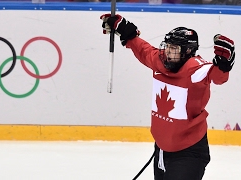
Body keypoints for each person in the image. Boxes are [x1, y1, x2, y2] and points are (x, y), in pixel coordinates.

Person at [100, 14, 235, 180]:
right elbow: (144, 51)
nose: (168, 52)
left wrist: (223, 65)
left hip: (188, 154)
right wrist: (125, 31)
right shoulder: (161, 61)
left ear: (188, 51)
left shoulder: (194, 69)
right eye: (168, 46)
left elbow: (216, 76)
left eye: (174, 48)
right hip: (161, 150)